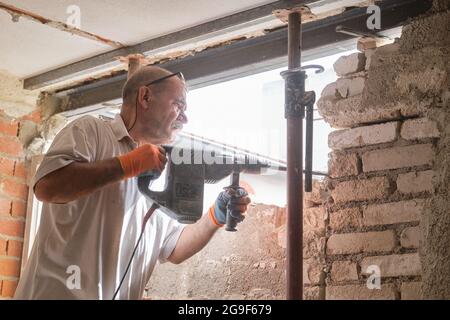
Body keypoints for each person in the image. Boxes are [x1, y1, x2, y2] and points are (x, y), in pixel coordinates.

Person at [14, 66, 251, 300]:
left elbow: (174, 248)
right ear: (145, 97)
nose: (185, 117)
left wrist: (215, 216)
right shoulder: (92, 131)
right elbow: (48, 186)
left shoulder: (163, 172)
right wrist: (127, 165)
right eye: (178, 105)